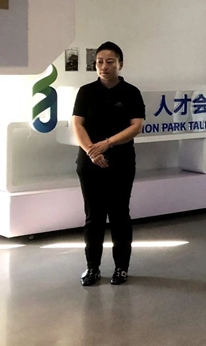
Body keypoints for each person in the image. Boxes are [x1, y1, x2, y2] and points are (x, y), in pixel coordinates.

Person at [72, 41, 145, 286]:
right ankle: (92, 267)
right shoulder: (86, 92)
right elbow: (77, 124)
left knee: (119, 215)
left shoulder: (131, 92)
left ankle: (121, 268)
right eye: (99, 62)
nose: (104, 66)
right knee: (93, 217)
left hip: (121, 162)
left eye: (110, 62)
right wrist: (91, 152)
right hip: (89, 162)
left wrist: (107, 143)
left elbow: (136, 126)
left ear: (120, 64)